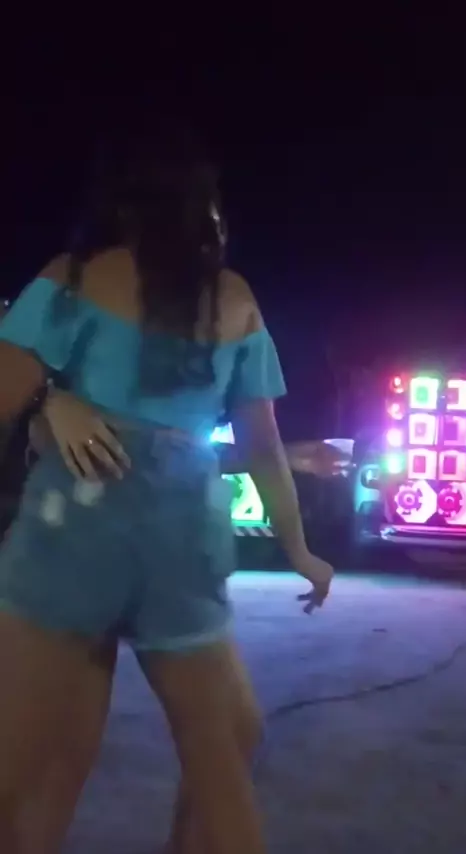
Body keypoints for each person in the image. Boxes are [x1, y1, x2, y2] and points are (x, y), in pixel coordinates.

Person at [0, 123, 333, 854]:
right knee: (221, 757)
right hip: (182, 539)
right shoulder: (234, 298)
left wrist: (51, 397)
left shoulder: (77, 279)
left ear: (120, 203)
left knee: (21, 762)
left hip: (75, 529)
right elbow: (262, 447)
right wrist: (299, 549)